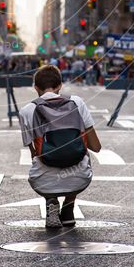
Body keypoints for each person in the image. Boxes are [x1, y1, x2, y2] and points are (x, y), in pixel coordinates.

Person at [19, 64, 102, 230]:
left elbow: (34, 153)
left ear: (35, 87)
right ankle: (69, 206)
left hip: (44, 182)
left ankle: (51, 201)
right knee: (85, 153)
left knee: (40, 158)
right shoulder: (76, 102)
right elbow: (96, 146)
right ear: (60, 86)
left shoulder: (27, 111)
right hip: (79, 179)